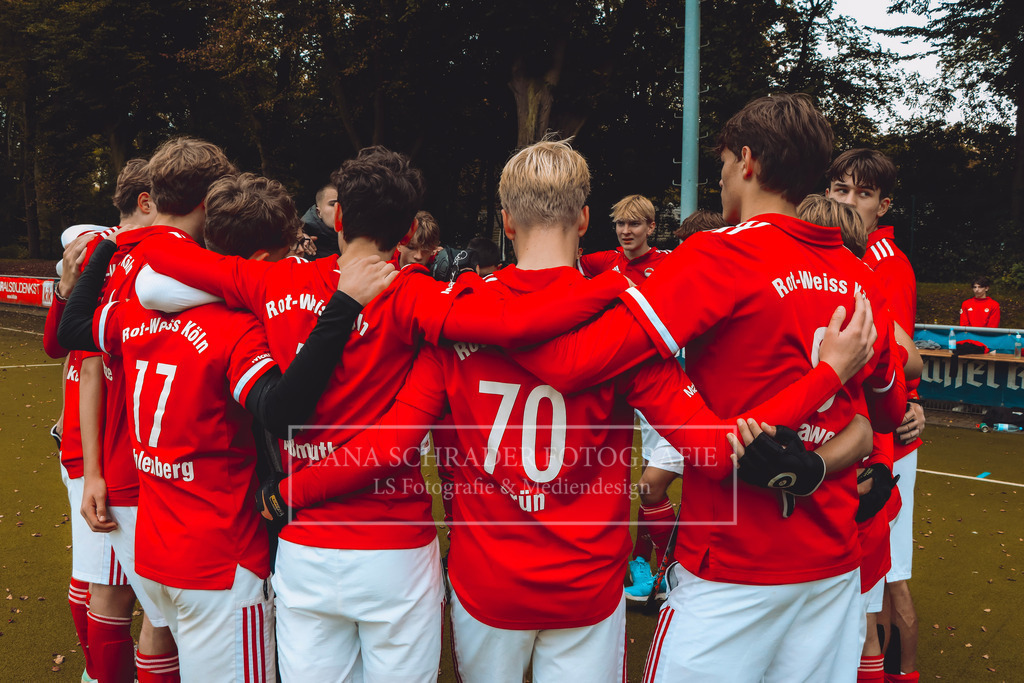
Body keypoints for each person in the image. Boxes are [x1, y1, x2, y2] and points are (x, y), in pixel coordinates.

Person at [268, 138, 879, 683]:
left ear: (505, 221)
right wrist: (828, 378)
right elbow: (717, 454)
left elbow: (393, 442)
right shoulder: (621, 323)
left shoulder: (457, 315)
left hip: (488, 582)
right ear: (586, 219)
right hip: (588, 584)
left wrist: (291, 487)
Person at [137, 145, 634, 682]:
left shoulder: (273, 280)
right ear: (406, 233)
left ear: (339, 217)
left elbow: (163, 260)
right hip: (394, 548)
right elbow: (511, 326)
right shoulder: (413, 294)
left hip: (306, 549)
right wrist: (612, 285)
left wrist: (125, 240)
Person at [488, 95, 910, 682]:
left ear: (747, 161)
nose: (718, 181)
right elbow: (889, 410)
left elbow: (576, 362)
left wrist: (465, 310)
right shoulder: (862, 276)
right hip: (832, 565)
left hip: (731, 565)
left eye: (719, 167)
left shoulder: (720, 253)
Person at [60, 172, 394, 681]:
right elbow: (281, 410)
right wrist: (343, 307)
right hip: (219, 558)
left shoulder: (134, 309)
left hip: (153, 548)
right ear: (261, 262)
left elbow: (72, 326)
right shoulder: (237, 328)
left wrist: (107, 250)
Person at [827, 148, 924, 683]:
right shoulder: (843, 255)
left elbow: (904, 358)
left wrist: (910, 404)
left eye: (861, 194)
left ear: (883, 205)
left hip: (886, 441)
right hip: (857, 434)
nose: (847, 202)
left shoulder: (883, 263)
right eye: (840, 190)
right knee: (872, 584)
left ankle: (899, 674)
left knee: (887, 580)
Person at [579, 194, 671, 282]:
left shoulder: (668, 260)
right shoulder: (606, 260)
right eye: (621, 223)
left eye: (634, 224)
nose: (625, 231)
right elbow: (566, 268)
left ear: (650, 228)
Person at [299, 183, 340, 258]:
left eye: (344, 203)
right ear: (318, 212)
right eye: (333, 204)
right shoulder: (300, 244)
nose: (339, 209)